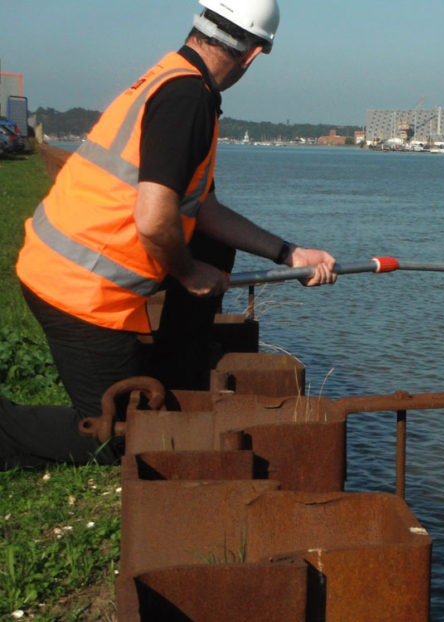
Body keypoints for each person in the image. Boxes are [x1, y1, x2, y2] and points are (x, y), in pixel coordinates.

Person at [1, 0, 336, 469]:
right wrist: (190, 274)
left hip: (73, 269)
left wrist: (289, 253)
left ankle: (178, 371)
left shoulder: (173, 77)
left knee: (211, 242)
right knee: (123, 437)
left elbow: (204, 210)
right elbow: (155, 218)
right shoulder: (188, 100)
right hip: (77, 290)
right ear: (253, 54)